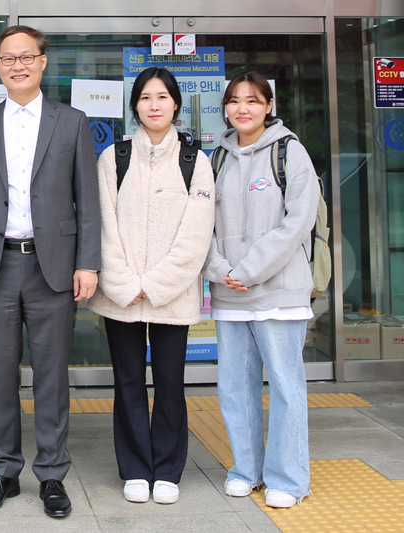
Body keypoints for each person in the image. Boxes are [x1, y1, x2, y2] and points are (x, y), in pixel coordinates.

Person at [0, 25, 101, 518]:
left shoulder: (72, 122)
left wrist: (87, 262)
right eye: (7, 58)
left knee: (52, 376)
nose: (17, 65)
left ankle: (52, 475)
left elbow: (87, 203)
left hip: (52, 267)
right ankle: (3, 471)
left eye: (26, 57)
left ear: (42, 62)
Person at [87, 67, 215, 505]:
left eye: (162, 97)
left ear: (175, 104)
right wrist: (125, 283)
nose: (154, 105)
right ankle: (136, 469)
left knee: (170, 383)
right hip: (121, 292)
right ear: (135, 105)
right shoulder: (114, 158)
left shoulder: (195, 160)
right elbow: (102, 226)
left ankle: (168, 470)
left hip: (171, 294)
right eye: (145, 97)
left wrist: (157, 284)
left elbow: (197, 234)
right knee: (126, 382)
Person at [204, 71, 319, 508]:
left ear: (268, 106)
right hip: (230, 294)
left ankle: (288, 480)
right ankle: (245, 470)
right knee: (235, 387)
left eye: (252, 100)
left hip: (279, 292)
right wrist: (220, 268)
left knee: (287, 389)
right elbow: (202, 225)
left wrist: (249, 269)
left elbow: (297, 223)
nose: (242, 109)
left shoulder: (290, 152)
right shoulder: (216, 157)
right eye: (234, 101)